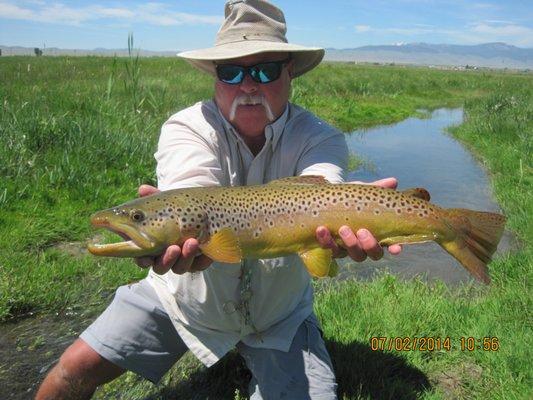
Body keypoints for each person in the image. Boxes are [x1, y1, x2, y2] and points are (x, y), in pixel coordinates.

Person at [36, 1, 401, 399]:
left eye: (265, 70)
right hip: (186, 303)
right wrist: (162, 229)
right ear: (214, 77)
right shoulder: (186, 128)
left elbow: (325, 191)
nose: (248, 85)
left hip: (278, 315)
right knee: (72, 371)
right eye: (231, 72)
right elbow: (194, 195)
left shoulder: (320, 137)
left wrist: (354, 222)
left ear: (290, 71)